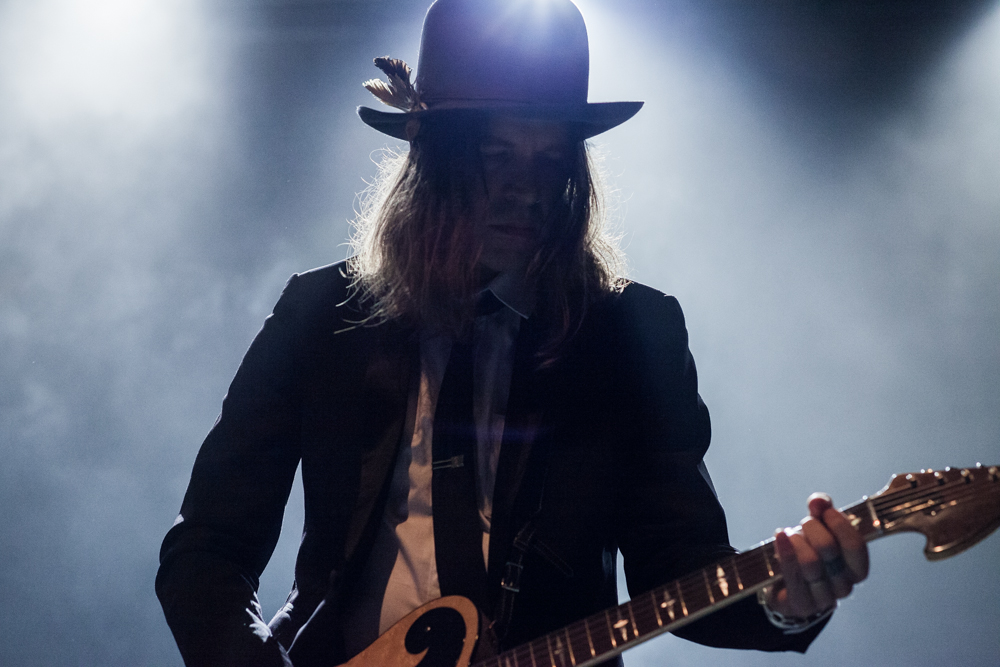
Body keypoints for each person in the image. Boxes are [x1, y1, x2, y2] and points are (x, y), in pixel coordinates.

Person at [155, 1, 869, 665]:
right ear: (430, 159)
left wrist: (786, 601)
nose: (527, 190)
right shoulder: (322, 314)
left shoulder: (632, 334)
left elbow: (678, 564)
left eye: (550, 160)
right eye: (496, 156)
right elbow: (208, 549)